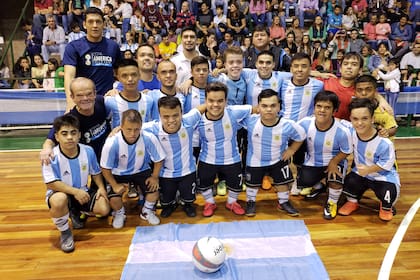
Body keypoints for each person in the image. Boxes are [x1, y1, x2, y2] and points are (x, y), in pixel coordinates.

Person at [42, 114, 110, 252]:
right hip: (60, 193)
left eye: (73, 133)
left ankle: (75, 210)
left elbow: (96, 172)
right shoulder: (51, 156)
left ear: (79, 135)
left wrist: (102, 188)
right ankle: (65, 232)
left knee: (104, 209)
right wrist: (76, 192)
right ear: (56, 137)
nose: (69, 137)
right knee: (59, 201)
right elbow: (51, 183)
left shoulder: (88, 151)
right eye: (64, 133)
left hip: (82, 191)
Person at [242, 89, 306, 217]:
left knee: (282, 183)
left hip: (278, 159)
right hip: (255, 160)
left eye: (273, 105)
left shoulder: (287, 124)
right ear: (258, 107)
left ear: (279, 107)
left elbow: (301, 136)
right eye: (264, 106)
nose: (269, 109)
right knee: (251, 185)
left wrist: (291, 150)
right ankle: (250, 201)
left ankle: (284, 202)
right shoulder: (249, 121)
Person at [196, 82, 253, 217]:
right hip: (207, 159)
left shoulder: (234, 112)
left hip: (231, 159)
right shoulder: (197, 118)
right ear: (205, 101)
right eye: (211, 101)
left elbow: (255, 109)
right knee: (204, 184)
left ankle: (232, 202)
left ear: (226, 101)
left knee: (236, 185)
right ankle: (210, 202)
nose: (215, 105)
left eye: (220, 101)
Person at [101, 109, 166, 227]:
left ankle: (147, 211)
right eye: (128, 129)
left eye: (136, 129)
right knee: (114, 199)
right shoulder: (112, 142)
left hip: (141, 169)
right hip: (119, 172)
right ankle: (119, 213)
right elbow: (105, 168)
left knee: (154, 191)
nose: (132, 134)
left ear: (141, 126)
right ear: (121, 127)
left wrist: (155, 177)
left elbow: (159, 159)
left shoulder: (148, 137)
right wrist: (114, 185)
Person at [143, 96, 206, 218]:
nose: (171, 120)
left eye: (175, 115)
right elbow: (132, 128)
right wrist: (118, 129)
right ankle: (169, 205)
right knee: (166, 199)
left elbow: (202, 107)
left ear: (182, 113)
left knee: (189, 197)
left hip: (187, 170)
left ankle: (187, 205)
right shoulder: (151, 128)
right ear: (160, 116)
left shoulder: (189, 121)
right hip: (165, 174)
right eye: (166, 117)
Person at [338, 98, 400, 221]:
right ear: (350, 119)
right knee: (349, 181)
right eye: (355, 119)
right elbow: (336, 121)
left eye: (364, 118)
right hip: (361, 173)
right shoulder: (351, 130)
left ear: (372, 119)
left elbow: (387, 164)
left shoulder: (385, 142)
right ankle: (352, 202)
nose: (359, 123)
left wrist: (369, 169)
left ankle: (386, 207)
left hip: (382, 175)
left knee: (388, 193)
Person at [297, 90, 352, 219]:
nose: (322, 110)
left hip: (334, 162)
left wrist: (334, 162)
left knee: (335, 178)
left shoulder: (342, 130)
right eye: (319, 106)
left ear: (334, 111)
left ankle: (332, 202)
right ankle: (321, 184)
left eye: (327, 107)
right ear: (314, 107)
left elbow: (346, 151)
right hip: (313, 162)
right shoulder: (304, 123)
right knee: (303, 185)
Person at [63, 7, 122, 111]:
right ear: (84, 25)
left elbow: (122, 73)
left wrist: (117, 88)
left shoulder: (113, 46)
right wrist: (70, 103)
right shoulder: (73, 47)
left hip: (108, 102)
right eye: (91, 22)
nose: (95, 25)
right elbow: (69, 77)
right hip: (83, 103)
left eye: (98, 22)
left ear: (104, 24)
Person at [106, 59, 154, 128]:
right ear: (118, 77)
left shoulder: (148, 101)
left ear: (139, 75)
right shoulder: (110, 101)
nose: (130, 79)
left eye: (134, 74)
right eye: (124, 75)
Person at [354, 75, 398, 140]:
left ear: (375, 91)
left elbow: (393, 128)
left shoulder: (383, 110)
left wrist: (385, 132)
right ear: (355, 92)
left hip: (382, 148)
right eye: (359, 90)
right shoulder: (353, 110)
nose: (363, 93)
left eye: (368, 90)